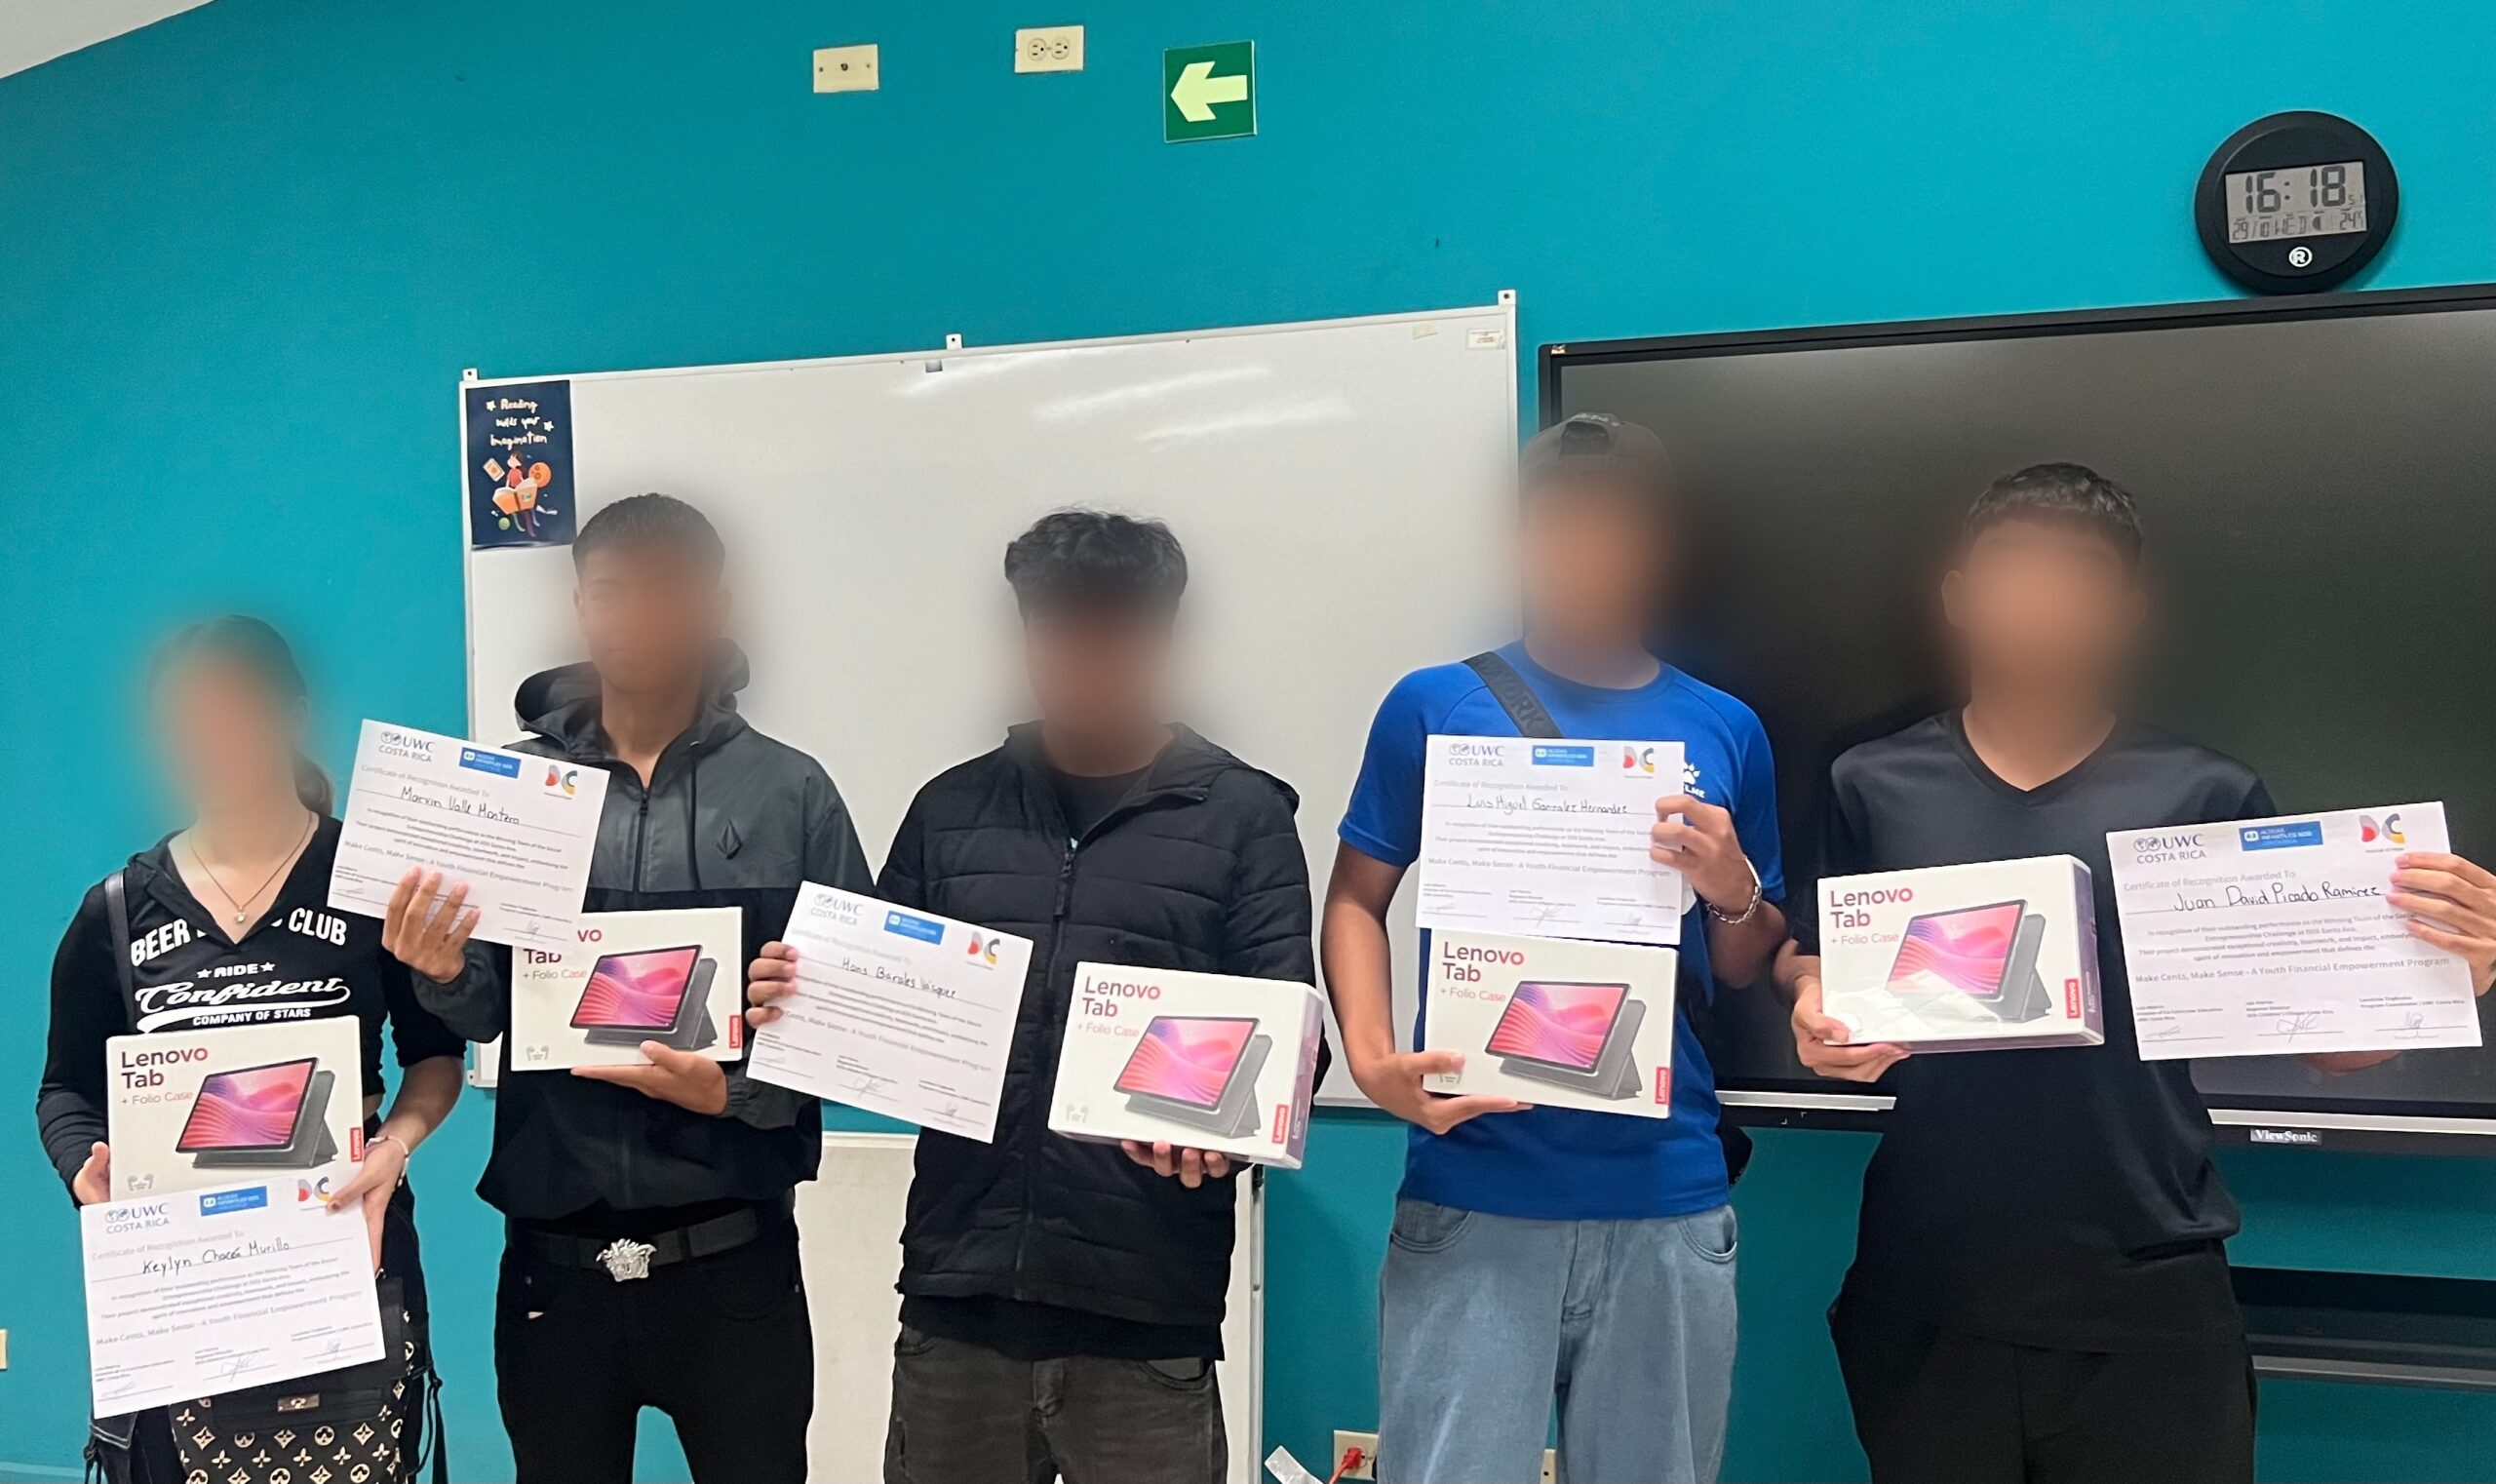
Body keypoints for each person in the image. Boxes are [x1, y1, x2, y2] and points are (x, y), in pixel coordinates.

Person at [1776, 463, 2496, 1484]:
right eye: (2014, 570)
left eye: (2072, 576)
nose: (2039, 603)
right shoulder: (1870, 782)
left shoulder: (2205, 797)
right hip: (1929, 1274)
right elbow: (1815, 955)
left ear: (2124, 611)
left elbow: (2325, 1042)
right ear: (1959, 595)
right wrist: (1808, 1001)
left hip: (2148, 1282)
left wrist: (2443, 976)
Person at [750, 508, 1315, 1484]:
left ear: (1161, 640)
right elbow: (873, 1012)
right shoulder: (950, 809)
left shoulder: (1243, 818)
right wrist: (795, 1000)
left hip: (1146, 1309)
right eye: (1057, 633)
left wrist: (1229, 1130)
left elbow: (1293, 1041)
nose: (1082, 662)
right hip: (958, 1298)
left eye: (1111, 635)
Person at [1321, 414, 1787, 1484]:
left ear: (1658, 548)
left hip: (1665, 1189)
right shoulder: (1433, 704)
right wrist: (1372, 1059)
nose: (1588, 555)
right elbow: (1355, 898)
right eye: (1561, 527)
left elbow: (1741, 961)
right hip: (1475, 1179)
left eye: (1615, 530)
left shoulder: (1724, 727)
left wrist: (1732, 888)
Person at [410, 493, 874, 1484]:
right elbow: (485, 1009)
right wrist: (442, 971)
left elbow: (848, 1028)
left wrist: (733, 1093)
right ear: (580, 602)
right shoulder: (510, 794)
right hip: (555, 1266)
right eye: (613, 593)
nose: (638, 619)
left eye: (665, 593)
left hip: (735, 1261)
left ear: (716, 604)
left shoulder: (792, 793)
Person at [37, 616, 470, 1481]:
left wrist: (394, 1147)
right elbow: (65, 1089)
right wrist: (84, 1166)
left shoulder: (370, 883)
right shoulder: (115, 910)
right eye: (188, 717)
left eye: (235, 709)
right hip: (180, 1284)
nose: (213, 736)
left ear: (292, 714)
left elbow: (437, 1057)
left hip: (343, 1258)